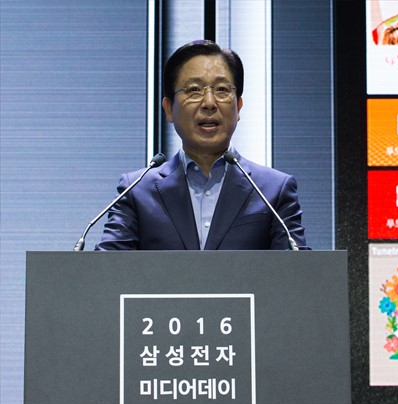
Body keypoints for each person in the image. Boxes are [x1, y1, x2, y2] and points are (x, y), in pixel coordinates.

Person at [96, 40, 308, 251]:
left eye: (222, 90)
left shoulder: (274, 191)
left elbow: (295, 268)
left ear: (238, 106)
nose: (209, 103)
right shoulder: (136, 190)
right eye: (194, 90)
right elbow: (106, 267)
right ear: (169, 109)